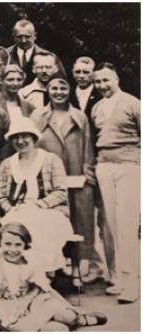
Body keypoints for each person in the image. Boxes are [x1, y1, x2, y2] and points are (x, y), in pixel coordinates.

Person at [30, 73, 96, 290]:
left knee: (79, 222)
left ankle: (77, 267)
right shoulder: (38, 115)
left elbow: (88, 148)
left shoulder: (79, 117)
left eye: (63, 88)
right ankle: (51, 270)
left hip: (76, 177)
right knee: (52, 222)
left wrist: (87, 175)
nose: (58, 92)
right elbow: (31, 148)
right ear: (48, 91)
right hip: (49, 181)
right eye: (54, 88)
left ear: (70, 91)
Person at [0, 223, 107, 332]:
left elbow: (48, 289)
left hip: (30, 303)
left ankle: (80, 320)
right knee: (60, 329)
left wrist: (72, 309)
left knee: (67, 315)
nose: (13, 250)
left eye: (18, 245)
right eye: (8, 244)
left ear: (25, 245)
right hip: (7, 315)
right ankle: (52, 323)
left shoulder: (29, 260)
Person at [0, 117, 74, 274]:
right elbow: (1, 195)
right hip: (18, 212)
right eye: (16, 137)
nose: (20, 141)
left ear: (33, 137)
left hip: (49, 211)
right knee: (12, 225)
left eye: (25, 136)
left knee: (40, 224)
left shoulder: (51, 160)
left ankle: (45, 272)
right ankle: (19, 274)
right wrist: (11, 209)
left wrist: (39, 205)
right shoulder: (6, 164)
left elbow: (60, 191)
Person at [91, 62, 140, 303]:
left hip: (129, 167)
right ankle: (120, 277)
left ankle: (133, 283)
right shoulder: (97, 107)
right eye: (98, 81)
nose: (102, 85)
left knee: (127, 225)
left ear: (117, 79)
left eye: (106, 80)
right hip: (104, 168)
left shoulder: (133, 103)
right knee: (111, 225)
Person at [69, 56, 107, 285]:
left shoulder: (101, 95)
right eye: (78, 72)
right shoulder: (69, 94)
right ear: (72, 72)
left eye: (86, 72)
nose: (82, 76)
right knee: (82, 217)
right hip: (78, 160)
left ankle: (103, 266)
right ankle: (86, 264)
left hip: (99, 159)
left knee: (101, 217)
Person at [5, 20, 65, 86]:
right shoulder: (3, 55)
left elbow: (61, 81)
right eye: (19, 37)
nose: (23, 41)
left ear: (35, 36)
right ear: (13, 37)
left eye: (27, 36)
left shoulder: (50, 57)